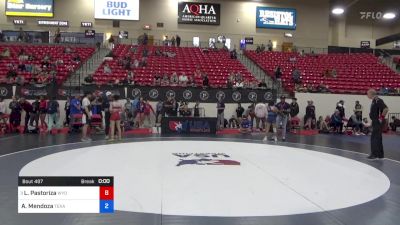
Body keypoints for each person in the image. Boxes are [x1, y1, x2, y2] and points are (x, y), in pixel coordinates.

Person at [367, 89, 388, 160]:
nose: (367, 95)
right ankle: (380, 155)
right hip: (375, 121)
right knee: (378, 138)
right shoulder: (374, 101)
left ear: (371, 94)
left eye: (368, 94)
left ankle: (374, 155)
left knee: (374, 138)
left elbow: (385, 109)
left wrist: (380, 119)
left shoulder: (378, 100)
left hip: (377, 121)